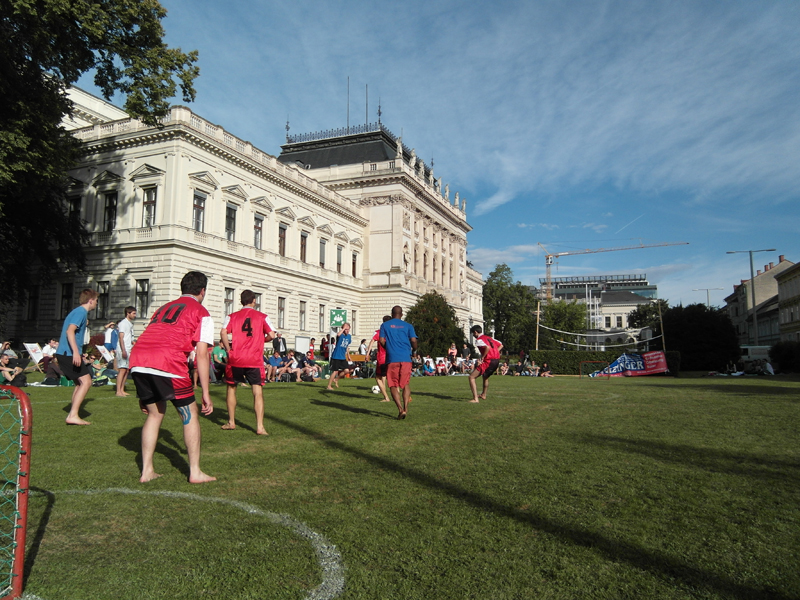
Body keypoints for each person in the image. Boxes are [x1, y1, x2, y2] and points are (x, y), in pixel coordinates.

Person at [129, 271, 215, 484]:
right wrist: (205, 392)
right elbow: (202, 354)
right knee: (189, 413)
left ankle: (146, 470)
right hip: (168, 361)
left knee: (154, 414)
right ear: (202, 291)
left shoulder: (163, 308)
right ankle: (195, 471)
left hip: (139, 359)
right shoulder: (201, 312)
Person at [220, 290, 275, 435]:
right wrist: (261, 340)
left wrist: (227, 349)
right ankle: (260, 427)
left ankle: (231, 422)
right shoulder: (263, 317)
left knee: (232, 388)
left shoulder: (231, 316)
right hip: (254, 359)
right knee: (257, 392)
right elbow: (272, 335)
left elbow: (223, 332)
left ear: (241, 301)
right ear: (254, 301)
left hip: (236, 357)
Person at [55, 288, 98, 425]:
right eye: (96, 301)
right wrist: (75, 352)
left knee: (79, 383)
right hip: (68, 353)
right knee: (86, 381)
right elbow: (70, 331)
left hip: (66, 353)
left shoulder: (79, 313)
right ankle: (73, 415)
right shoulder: (80, 312)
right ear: (90, 300)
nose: (96, 304)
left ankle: (73, 412)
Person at [379, 305, 418, 419]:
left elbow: (381, 340)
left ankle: (400, 409)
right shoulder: (408, 326)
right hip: (406, 358)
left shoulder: (385, 325)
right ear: (401, 314)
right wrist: (415, 349)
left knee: (393, 384)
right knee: (405, 383)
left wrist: (389, 348)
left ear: (392, 314)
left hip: (392, 358)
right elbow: (413, 340)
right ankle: (406, 408)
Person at [468, 325, 503, 403]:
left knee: (471, 377)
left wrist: (483, 357)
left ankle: (475, 399)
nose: (473, 335)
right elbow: (501, 345)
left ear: (476, 332)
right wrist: (495, 352)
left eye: (473, 334)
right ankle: (483, 394)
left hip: (489, 361)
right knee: (485, 376)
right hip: (496, 360)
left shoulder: (479, 340)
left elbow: (487, 347)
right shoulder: (489, 338)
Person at [366, 316, 392, 402]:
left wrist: (367, 354)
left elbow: (372, 342)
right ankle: (401, 395)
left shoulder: (378, 332)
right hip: (392, 357)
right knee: (391, 377)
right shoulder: (393, 332)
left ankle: (386, 397)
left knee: (378, 377)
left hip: (382, 358)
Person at [116, 306, 137, 397]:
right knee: (122, 370)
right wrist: (123, 350)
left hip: (129, 348)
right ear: (128, 313)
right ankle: (118, 391)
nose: (135, 315)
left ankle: (122, 389)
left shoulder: (130, 324)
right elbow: (121, 337)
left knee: (127, 370)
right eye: (133, 313)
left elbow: (130, 337)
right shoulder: (123, 323)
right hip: (123, 349)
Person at [327, 324, 352, 390]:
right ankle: (329, 386)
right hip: (336, 356)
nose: (347, 331)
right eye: (346, 329)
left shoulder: (349, 337)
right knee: (335, 371)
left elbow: (346, 346)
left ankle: (336, 379)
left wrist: (348, 355)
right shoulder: (340, 335)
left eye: (348, 329)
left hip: (342, 357)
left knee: (346, 371)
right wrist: (343, 329)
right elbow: (338, 334)